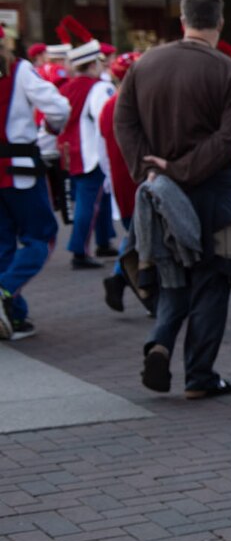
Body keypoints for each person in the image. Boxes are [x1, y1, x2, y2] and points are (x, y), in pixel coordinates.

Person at [114, 0, 231, 399]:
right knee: (213, 280)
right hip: (212, 190)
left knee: (171, 274)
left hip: (159, 190)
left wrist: (148, 166)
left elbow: (122, 121)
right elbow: (228, 137)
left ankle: (160, 341)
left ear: (182, 20)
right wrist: (184, 168)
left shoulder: (144, 64)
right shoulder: (228, 70)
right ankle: (200, 376)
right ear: (218, 24)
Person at [0, 25, 70, 341]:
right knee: (42, 238)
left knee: (2, 246)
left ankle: (15, 317)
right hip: (20, 170)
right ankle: (5, 291)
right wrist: (53, 130)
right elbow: (59, 108)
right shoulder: (20, 70)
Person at [97, 51, 150, 314]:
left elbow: (102, 150)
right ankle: (148, 292)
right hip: (140, 178)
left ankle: (119, 279)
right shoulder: (140, 104)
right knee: (147, 239)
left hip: (120, 179)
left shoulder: (109, 106)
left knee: (135, 236)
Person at [58, 39, 117, 268]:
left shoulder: (68, 86)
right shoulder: (98, 87)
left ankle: (103, 241)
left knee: (97, 200)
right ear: (93, 64)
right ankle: (79, 250)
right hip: (93, 152)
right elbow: (105, 117)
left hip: (73, 152)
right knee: (89, 203)